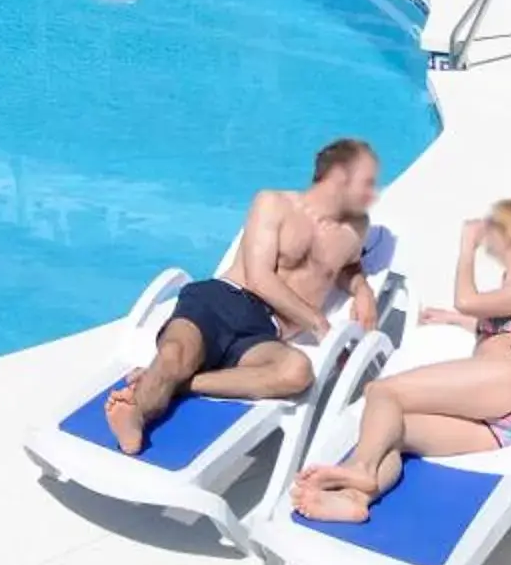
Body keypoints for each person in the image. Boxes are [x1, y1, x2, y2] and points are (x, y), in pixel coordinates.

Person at [292, 198, 511, 521]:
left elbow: (467, 300)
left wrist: (467, 249)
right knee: (392, 431)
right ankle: (356, 499)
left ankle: (361, 470)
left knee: (382, 392)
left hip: (509, 380)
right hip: (506, 421)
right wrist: (452, 320)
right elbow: (500, 324)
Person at [106, 139, 381, 454]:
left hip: (265, 334)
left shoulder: (356, 228)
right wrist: (319, 324)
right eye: (366, 182)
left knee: (297, 372)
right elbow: (259, 278)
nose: (372, 192)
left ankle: (179, 382)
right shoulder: (273, 203)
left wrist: (362, 289)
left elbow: (348, 265)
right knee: (175, 353)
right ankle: (135, 415)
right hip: (224, 300)